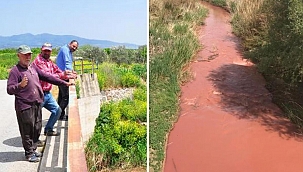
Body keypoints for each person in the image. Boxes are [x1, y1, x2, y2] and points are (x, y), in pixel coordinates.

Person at [7, 45, 73, 162]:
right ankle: (29, 154)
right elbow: (10, 89)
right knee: (27, 130)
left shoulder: (32, 68)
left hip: (37, 102)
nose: (28, 57)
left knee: (36, 127)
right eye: (25, 55)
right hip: (24, 105)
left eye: (29, 54)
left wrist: (63, 83)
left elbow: (47, 77)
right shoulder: (15, 71)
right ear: (19, 56)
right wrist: (19, 85)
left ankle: (33, 149)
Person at [32, 43, 77, 136]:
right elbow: (48, 76)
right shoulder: (39, 62)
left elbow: (57, 70)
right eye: (45, 50)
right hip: (38, 93)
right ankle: (34, 139)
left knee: (57, 110)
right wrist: (63, 76)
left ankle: (48, 129)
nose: (47, 52)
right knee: (36, 118)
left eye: (48, 51)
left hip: (47, 93)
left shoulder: (48, 61)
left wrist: (69, 74)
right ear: (41, 50)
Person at [56, 40, 78, 121]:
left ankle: (60, 115)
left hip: (61, 75)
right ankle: (57, 114)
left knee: (62, 96)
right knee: (66, 97)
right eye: (73, 46)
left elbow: (68, 64)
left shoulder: (67, 50)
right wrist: (72, 74)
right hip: (63, 76)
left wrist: (72, 71)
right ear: (70, 44)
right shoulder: (65, 49)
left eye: (76, 47)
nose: (74, 48)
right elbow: (67, 63)